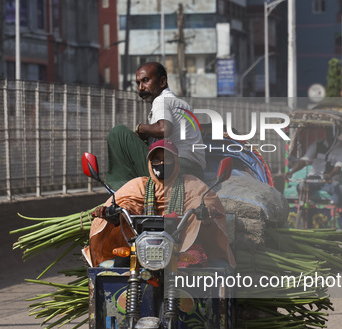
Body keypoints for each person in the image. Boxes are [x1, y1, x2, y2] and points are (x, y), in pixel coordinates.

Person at [83, 139, 233, 268]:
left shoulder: (191, 184)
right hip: (143, 246)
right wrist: (110, 212)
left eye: (166, 159)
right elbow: (127, 203)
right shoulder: (139, 185)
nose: (161, 163)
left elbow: (201, 202)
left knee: (194, 264)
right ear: (150, 163)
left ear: (176, 161)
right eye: (156, 160)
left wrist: (207, 213)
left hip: (181, 246)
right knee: (119, 265)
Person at [105, 62, 206, 191]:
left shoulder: (161, 100)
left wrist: (140, 128)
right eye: (138, 83)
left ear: (162, 81)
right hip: (196, 171)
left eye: (145, 81)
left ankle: (124, 190)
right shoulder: (183, 104)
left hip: (175, 168)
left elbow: (164, 129)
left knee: (118, 133)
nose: (141, 87)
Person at [285, 127, 342, 205]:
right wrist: (291, 172)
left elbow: (338, 166)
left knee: (340, 189)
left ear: (338, 132)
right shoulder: (317, 144)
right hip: (314, 179)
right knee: (301, 186)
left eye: (332, 130)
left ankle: (332, 209)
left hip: (329, 181)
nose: (329, 133)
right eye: (327, 130)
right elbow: (304, 160)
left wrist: (330, 175)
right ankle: (304, 207)